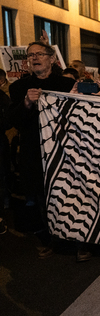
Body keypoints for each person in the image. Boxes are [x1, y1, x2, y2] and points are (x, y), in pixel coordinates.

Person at [7, 41, 76, 258]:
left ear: (52, 58)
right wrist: (26, 103)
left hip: (64, 151)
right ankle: (51, 240)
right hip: (34, 153)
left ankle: (75, 242)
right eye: (30, 55)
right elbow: (12, 121)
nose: (34, 58)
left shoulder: (66, 85)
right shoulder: (18, 88)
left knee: (68, 195)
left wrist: (77, 98)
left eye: (39, 54)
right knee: (42, 199)